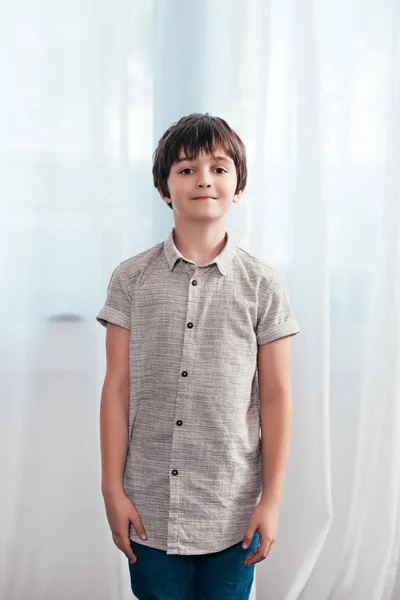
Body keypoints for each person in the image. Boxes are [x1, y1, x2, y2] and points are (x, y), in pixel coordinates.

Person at [96, 113, 300, 600]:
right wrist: (112, 490)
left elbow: (275, 397)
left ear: (239, 186)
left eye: (219, 167)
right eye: (186, 170)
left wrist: (271, 500)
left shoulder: (263, 284)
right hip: (148, 505)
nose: (204, 179)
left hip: (232, 508)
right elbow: (116, 387)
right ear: (165, 190)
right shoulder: (131, 278)